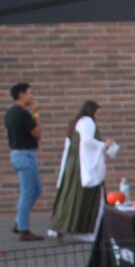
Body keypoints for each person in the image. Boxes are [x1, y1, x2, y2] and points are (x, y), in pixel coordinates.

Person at [48, 100, 112, 240]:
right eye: (97, 112)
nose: (98, 115)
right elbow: (87, 142)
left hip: (73, 164)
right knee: (84, 196)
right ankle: (90, 232)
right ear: (91, 111)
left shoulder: (75, 122)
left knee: (69, 195)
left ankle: (61, 227)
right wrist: (103, 144)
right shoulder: (88, 121)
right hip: (82, 165)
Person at [6, 82, 43, 241]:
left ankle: (19, 221)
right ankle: (23, 229)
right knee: (28, 192)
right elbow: (37, 133)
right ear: (21, 94)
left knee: (35, 190)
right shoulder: (23, 113)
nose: (31, 96)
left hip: (18, 154)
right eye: (29, 93)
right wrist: (35, 113)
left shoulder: (10, 113)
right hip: (25, 155)